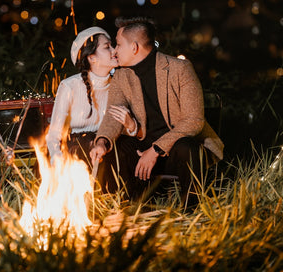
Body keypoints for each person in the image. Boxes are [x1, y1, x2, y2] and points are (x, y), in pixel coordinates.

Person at [89, 17, 224, 208]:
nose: (115, 51)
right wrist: (102, 142)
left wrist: (155, 150)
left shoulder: (179, 69)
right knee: (116, 148)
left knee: (188, 147)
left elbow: (194, 121)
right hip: (141, 148)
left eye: (118, 45)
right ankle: (129, 208)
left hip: (175, 151)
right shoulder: (121, 75)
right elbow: (113, 115)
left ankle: (191, 211)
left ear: (134, 47)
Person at [46, 27, 135, 193]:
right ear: (92, 57)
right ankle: (93, 203)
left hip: (109, 143)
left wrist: (130, 125)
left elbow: (125, 129)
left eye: (113, 45)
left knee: (124, 149)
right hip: (77, 146)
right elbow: (54, 135)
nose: (114, 50)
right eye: (107, 47)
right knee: (93, 149)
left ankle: (125, 204)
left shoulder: (119, 84)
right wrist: (57, 162)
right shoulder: (70, 86)